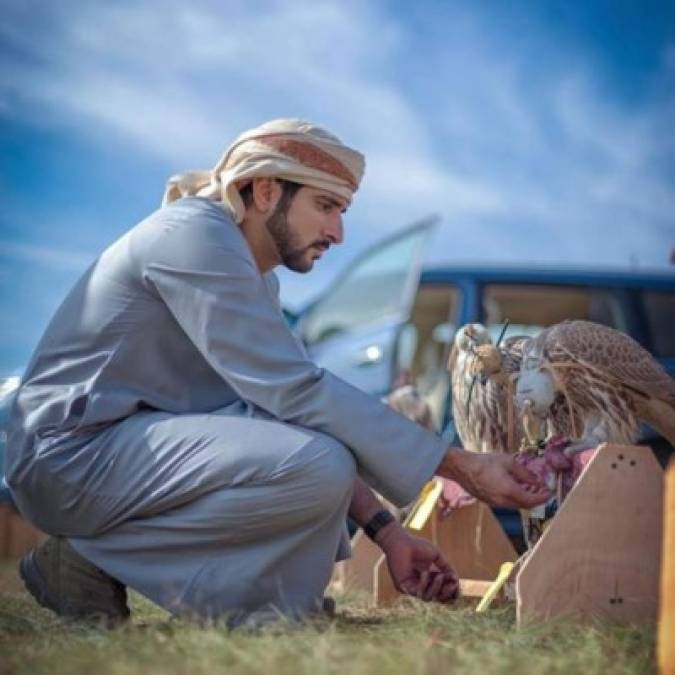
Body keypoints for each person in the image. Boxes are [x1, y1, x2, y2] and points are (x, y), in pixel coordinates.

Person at [6, 119, 549, 628]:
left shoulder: (255, 279)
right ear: (265, 191)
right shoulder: (195, 234)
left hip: (116, 457)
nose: (338, 231)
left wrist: (390, 535)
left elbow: (287, 407)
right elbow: (295, 391)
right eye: (326, 206)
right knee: (316, 461)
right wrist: (463, 467)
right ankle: (113, 565)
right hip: (67, 455)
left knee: (321, 459)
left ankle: (92, 567)